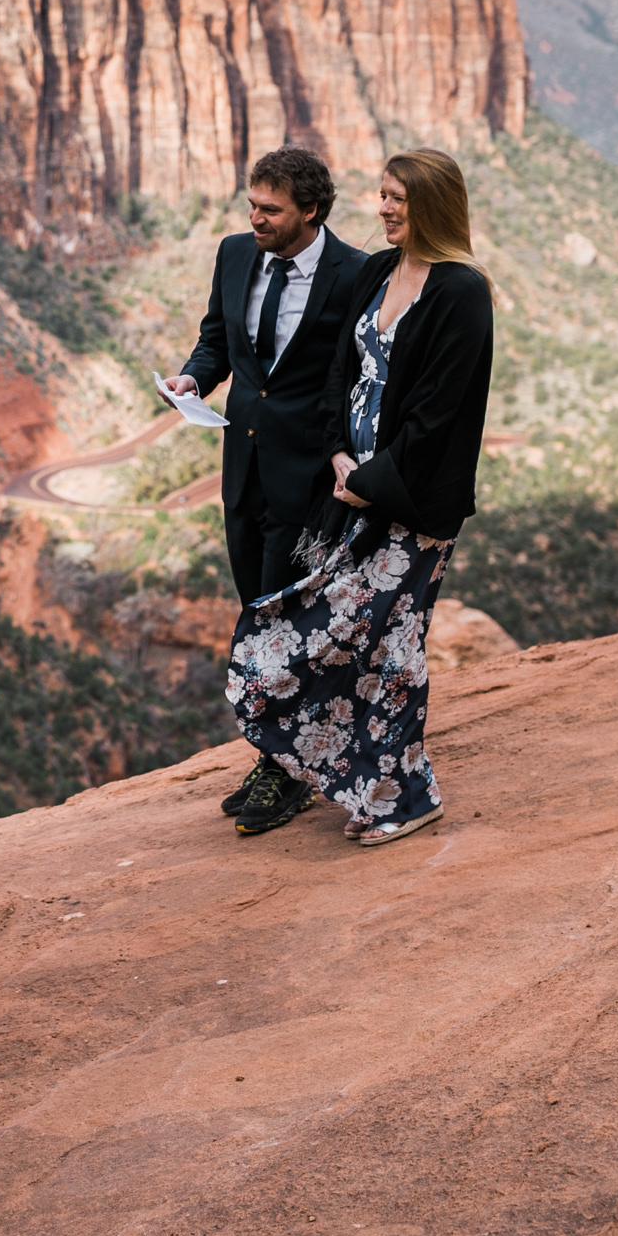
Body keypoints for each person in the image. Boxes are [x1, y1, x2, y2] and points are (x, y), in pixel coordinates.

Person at [225, 148, 495, 843]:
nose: (382, 209)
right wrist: (338, 458)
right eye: (380, 195)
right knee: (325, 633)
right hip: (346, 490)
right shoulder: (377, 271)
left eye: (396, 198)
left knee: (391, 643)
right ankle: (344, 776)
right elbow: (339, 378)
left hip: (409, 504)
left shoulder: (460, 290)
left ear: (432, 205)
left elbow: (437, 414)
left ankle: (402, 798)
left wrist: (367, 483)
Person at [164, 147, 366, 825]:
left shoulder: (354, 274)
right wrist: (193, 377)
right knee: (253, 606)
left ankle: (282, 772)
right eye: (250, 204)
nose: (254, 218)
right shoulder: (232, 254)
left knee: (284, 621)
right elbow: (217, 338)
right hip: (240, 465)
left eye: (269, 210)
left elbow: (358, 377)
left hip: (308, 477)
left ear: (310, 211)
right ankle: (278, 756)